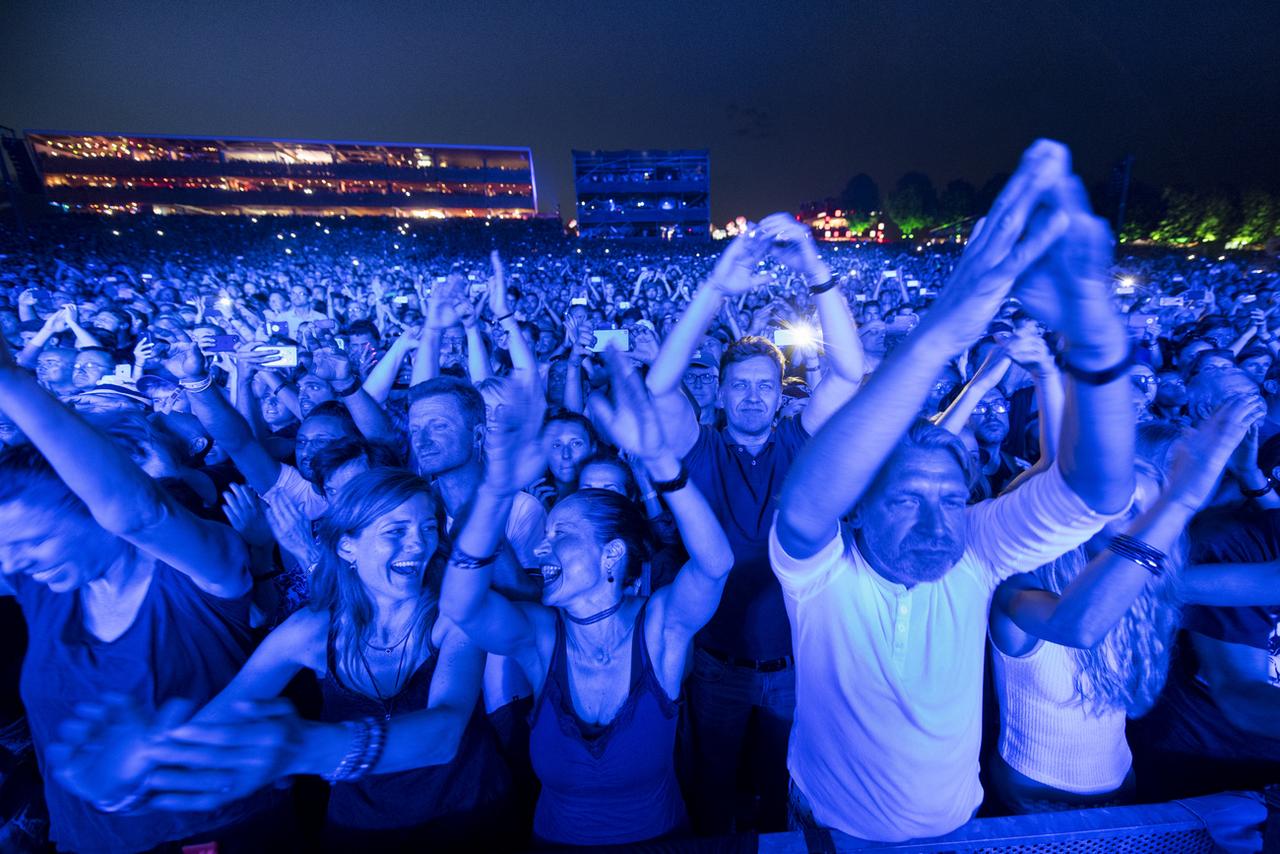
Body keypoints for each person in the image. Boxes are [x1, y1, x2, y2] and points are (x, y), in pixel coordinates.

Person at [770, 141, 1135, 841]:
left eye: (950, 497)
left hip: (957, 831)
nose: (939, 521)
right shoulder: (819, 577)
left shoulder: (976, 554)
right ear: (862, 510)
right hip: (828, 832)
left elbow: (1099, 491)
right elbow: (805, 505)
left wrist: (1093, 336)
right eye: (907, 499)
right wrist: (938, 335)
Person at [0, 323, 278, 852]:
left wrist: (11, 379)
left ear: (88, 509)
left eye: (31, 543)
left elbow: (140, 513)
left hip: (217, 835)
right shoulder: (45, 583)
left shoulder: (201, 570)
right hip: (85, 838)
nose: (15, 564)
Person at [439, 357, 735, 847]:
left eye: (561, 536)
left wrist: (661, 461)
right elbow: (462, 606)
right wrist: (495, 492)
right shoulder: (540, 636)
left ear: (611, 554)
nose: (541, 547)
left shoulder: (658, 625)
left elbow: (714, 565)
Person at [644, 214, 864, 833]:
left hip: (796, 665)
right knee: (712, 792)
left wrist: (818, 272)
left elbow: (849, 372)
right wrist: (717, 287)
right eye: (738, 386)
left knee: (783, 795)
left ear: (782, 393)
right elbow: (660, 384)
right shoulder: (702, 448)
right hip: (717, 663)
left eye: (763, 386)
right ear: (718, 396)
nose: (750, 397)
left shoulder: (801, 441)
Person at [989, 400, 1260, 812]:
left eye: (1151, 511)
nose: (1147, 525)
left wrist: (1251, 478)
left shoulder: (1147, 590)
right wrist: (1183, 495)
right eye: (1131, 508)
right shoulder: (1020, 586)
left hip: (1122, 788)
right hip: (1036, 800)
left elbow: (1267, 584)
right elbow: (1078, 628)